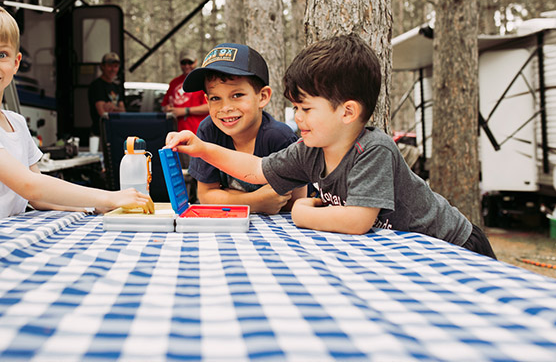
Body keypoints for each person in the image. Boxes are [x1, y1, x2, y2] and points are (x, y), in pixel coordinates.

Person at [166, 34, 496, 259]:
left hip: (455, 244)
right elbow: (254, 169)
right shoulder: (310, 148)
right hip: (407, 250)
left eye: (306, 109)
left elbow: (357, 221)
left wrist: (299, 210)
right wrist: (202, 148)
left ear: (347, 111)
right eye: (295, 109)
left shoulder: (374, 149)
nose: (297, 118)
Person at [0, 3, 153, 239]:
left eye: (1, 54)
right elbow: (28, 185)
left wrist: (95, 206)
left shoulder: (16, 122)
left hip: (3, 235)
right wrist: (109, 196)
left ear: (16, 63)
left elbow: (37, 197)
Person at [181, 43, 307, 214]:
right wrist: (254, 202)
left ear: (262, 97)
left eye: (237, 95)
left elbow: (295, 202)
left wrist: (227, 196)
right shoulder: (208, 130)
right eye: (215, 98)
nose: (225, 108)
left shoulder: (280, 137)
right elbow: (205, 196)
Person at [161, 49, 209, 134]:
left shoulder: (202, 80)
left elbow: (209, 106)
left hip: (198, 132)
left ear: (196, 62)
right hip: (176, 132)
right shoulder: (174, 83)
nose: (187, 66)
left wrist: (185, 111)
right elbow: (164, 105)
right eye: (183, 63)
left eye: (190, 62)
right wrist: (167, 108)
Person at [88, 52, 126, 136]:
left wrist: (113, 108)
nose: (113, 69)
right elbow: (102, 113)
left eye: (115, 66)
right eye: (110, 66)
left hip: (116, 132)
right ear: (102, 67)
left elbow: (123, 112)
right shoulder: (97, 85)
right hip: (100, 133)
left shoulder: (117, 87)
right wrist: (117, 110)